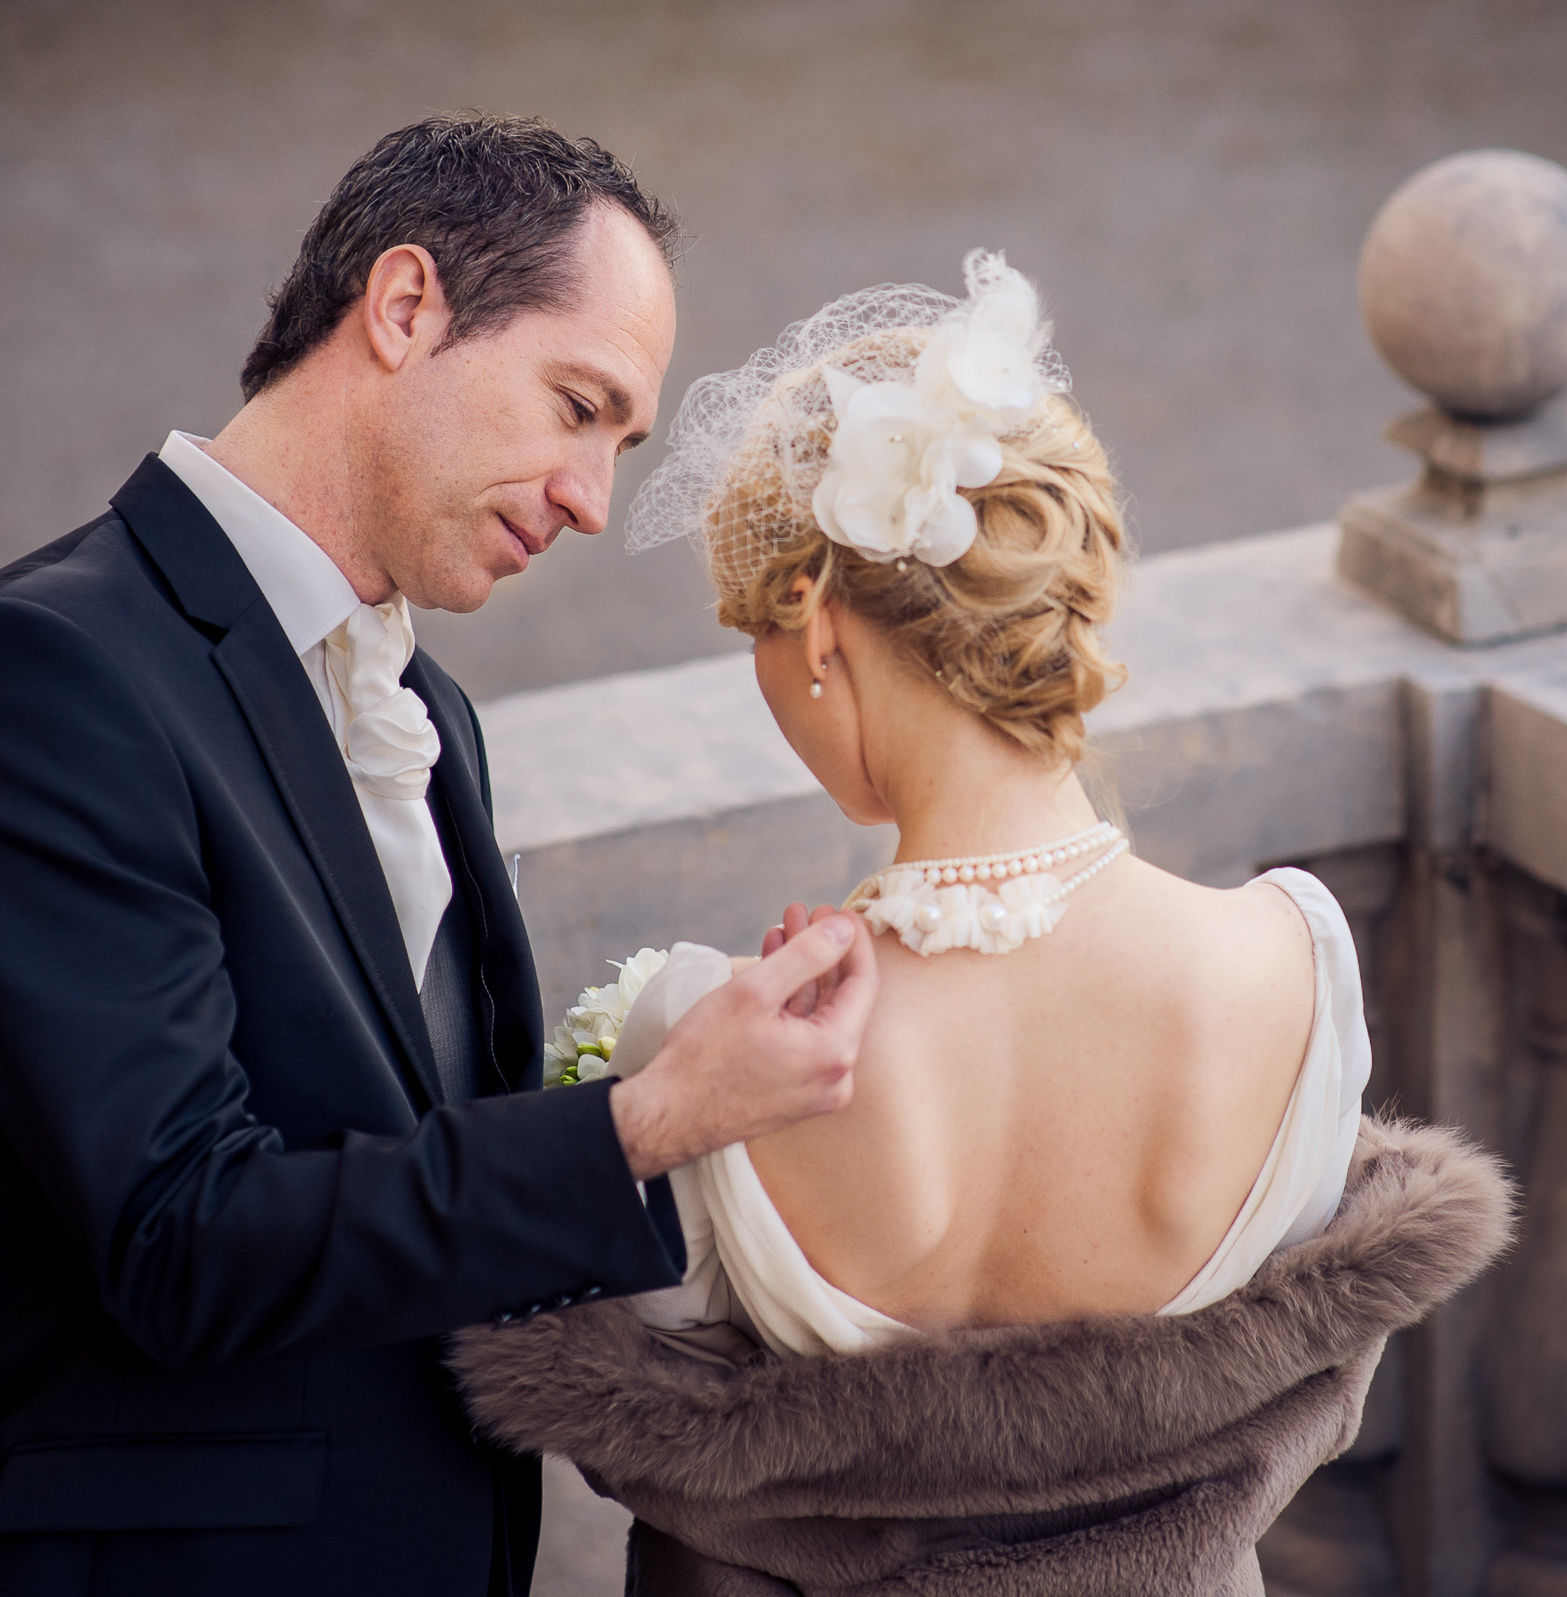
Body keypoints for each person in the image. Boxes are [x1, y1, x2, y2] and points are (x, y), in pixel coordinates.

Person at [0, 115, 875, 1597]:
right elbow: (182, 1232)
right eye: (577, 406)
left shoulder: (427, 712)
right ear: (405, 308)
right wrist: (641, 1124)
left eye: (620, 441)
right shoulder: (38, 677)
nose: (595, 498)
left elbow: (394, 1138)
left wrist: (696, 1080)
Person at [451, 255, 1512, 1594]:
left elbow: (647, 1416)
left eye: (757, 642)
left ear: (820, 629)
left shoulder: (708, 1033)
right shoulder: (1290, 958)